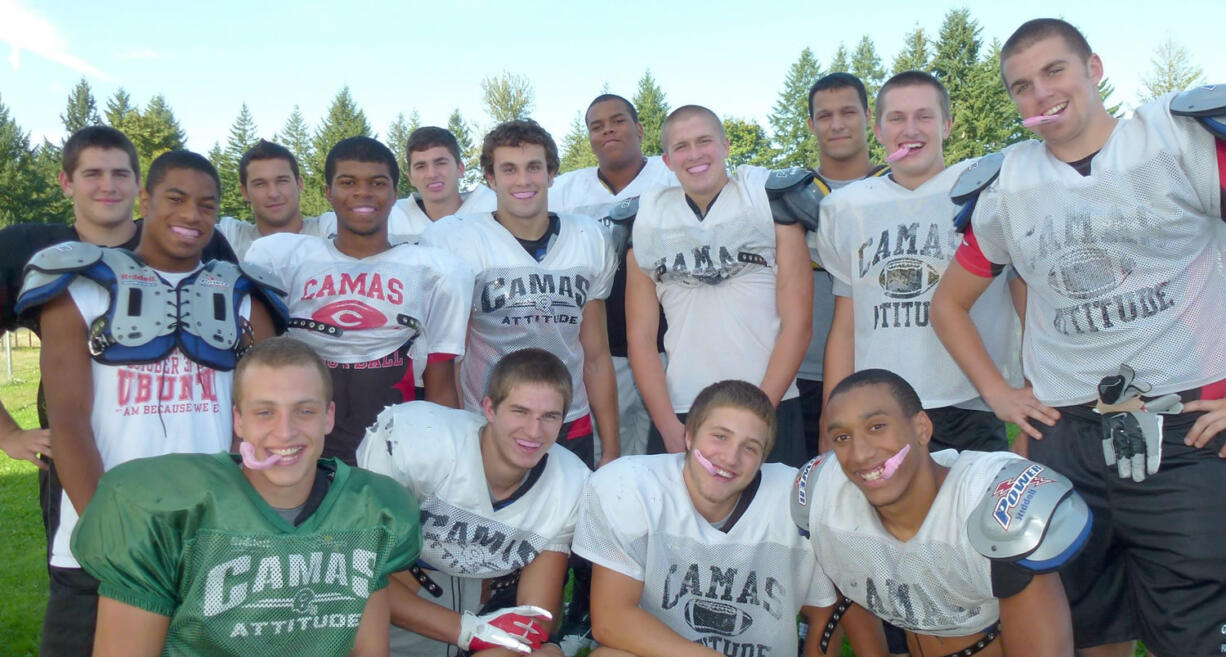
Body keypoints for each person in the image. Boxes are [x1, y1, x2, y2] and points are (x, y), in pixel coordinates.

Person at [930, 17, 1226, 656]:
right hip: (1066, 432)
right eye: (1020, 86)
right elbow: (947, 304)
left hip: (1187, 425)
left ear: (1093, 68)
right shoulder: (1008, 185)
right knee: (1088, 626)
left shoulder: (1177, 140)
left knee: (1199, 633)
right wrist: (1002, 395)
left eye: (1054, 71)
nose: (1039, 94)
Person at [16, 149, 283, 657]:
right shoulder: (79, 286)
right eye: (176, 199)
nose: (191, 216)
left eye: (207, 205)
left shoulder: (245, 296)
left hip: (209, 537)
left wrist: (236, 520)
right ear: (146, 199)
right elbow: (69, 418)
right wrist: (106, 530)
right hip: (95, 540)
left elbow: (259, 422)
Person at [71, 336, 422, 656]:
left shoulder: (369, 512)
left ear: (328, 417)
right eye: (265, 412)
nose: (285, 432)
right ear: (238, 421)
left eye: (305, 410)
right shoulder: (163, 514)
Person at [574, 380, 886, 657]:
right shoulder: (633, 487)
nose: (730, 457)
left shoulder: (797, 503)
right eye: (720, 436)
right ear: (689, 435)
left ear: (764, 459)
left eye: (749, 448)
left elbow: (823, 617)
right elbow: (611, 620)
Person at [794, 369, 1086, 656]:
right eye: (842, 437)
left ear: (922, 428)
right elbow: (850, 582)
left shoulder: (988, 505)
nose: (860, 453)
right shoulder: (829, 497)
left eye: (877, 426)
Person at [0, 126, 235, 470]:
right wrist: (8, 434)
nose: (108, 186)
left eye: (120, 174)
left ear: (139, 185)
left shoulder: (192, 239)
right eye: (93, 173)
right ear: (66, 182)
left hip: (200, 441)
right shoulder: (32, 250)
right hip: (81, 449)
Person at [812, 71, 1020, 455]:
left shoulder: (986, 189)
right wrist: (831, 419)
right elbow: (845, 326)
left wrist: (1028, 389)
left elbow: (1023, 295)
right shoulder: (846, 208)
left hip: (969, 401)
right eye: (896, 118)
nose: (911, 129)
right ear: (877, 130)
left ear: (947, 124)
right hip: (879, 405)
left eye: (924, 116)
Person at [246, 136, 473, 465]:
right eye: (348, 182)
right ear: (328, 192)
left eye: (377, 183)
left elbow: (441, 382)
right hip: (299, 445)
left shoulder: (434, 270)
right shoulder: (283, 259)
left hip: (393, 449)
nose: (363, 193)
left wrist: (443, 461)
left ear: (395, 193)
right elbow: (259, 370)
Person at [358, 348, 590, 657]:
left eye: (549, 416)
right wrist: (469, 632)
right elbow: (360, 573)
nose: (534, 431)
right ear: (490, 409)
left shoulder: (570, 481)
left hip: (493, 603)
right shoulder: (418, 440)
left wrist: (494, 634)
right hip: (404, 600)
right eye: (519, 411)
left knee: (547, 654)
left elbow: (536, 618)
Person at [420, 119, 619, 469]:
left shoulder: (589, 239)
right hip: (489, 418)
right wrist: (451, 435)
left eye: (534, 168)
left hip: (568, 417)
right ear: (491, 178)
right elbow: (449, 358)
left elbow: (597, 356)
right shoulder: (458, 240)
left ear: (551, 173)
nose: (523, 180)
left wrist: (612, 448)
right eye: (509, 169)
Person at [623, 105, 813, 466]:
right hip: (682, 409)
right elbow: (641, 341)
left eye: (704, 141)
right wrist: (666, 426)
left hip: (771, 401)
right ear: (666, 160)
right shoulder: (645, 221)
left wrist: (761, 410)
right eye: (681, 147)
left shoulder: (769, 204)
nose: (694, 154)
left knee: (770, 520)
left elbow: (798, 325)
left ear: (726, 145)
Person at [549, 93, 678, 459]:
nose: (607, 130)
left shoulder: (672, 178)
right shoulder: (565, 192)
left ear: (638, 128)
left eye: (617, 121)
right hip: (602, 350)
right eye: (596, 126)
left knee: (665, 451)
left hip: (670, 345)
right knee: (610, 449)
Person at [797, 73, 890, 456]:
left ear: (869, 116)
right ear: (810, 124)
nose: (837, 124)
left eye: (848, 112)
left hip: (883, 366)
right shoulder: (787, 194)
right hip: (801, 373)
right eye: (825, 115)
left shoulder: (902, 188)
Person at [317, 126, 496, 243]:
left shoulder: (493, 207)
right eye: (420, 166)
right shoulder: (391, 216)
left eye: (440, 163)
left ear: (460, 169)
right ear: (410, 177)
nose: (432, 174)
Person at [215, 139, 331, 259]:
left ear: (299, 184)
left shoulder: (327, 231)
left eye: (282, 181)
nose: (273, 194)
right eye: (260, 184)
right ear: (244, 192)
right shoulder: (230, 239)